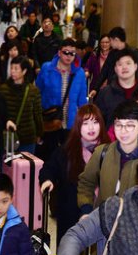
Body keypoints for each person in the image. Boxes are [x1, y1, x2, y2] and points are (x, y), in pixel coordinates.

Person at [40, 104, 110, 244]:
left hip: (102, 213)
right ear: (78, 126)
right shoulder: (67, 151)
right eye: (85, 123)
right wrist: (47, 180)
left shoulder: (110, 150)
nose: (91, 128)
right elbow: (48, 168)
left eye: (95, 122)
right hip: (70, 213)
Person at [77, 100, 138, 216]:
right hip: (102, 223)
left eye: (129, 125)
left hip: (136, 228)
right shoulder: (102, 152)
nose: (123, 131)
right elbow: (86, 183)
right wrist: (86, 210)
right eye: (118, 125)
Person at [36, 38, 88, 161]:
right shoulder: (47, 68)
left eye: (72, 53)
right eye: (66, 52)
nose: (69, 56)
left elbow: (82, 101)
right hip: (51, 120)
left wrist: (84, 122)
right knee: (49, 156)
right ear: (59, 53)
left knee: (67, 158)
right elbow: (37, 93)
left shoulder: (79, 73)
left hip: (70, 122)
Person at [95, 48, 138, 128]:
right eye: (120, 64)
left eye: (128, 63)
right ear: (115, 69)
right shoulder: (105, 93)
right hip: (112, 138)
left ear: (135, 66)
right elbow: (99, 121)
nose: (124, 67)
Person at [0, 56, 43, 154]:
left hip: (28, 137)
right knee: (8, 167)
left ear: (24, 71)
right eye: (11, 68)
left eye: (16, 69)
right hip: (8, 136)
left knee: (26, 167)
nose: (12, 71)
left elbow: (37, 114)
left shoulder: (33, 90)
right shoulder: (3, 89)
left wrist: (39, 133)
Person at [89, 26, 138, 98]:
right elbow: (104, 71)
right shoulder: (112, 54)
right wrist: (95, 88)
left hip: (130, 91)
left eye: (110, 41)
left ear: (116, 40)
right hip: (113, 90)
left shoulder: (134, 52)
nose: (110, 43)